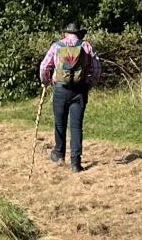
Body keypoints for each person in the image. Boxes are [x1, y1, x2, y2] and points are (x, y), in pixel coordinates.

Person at [38, 20, 100, 172]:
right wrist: (89, 83)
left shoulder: (57, 46)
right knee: (76, 126)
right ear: (79, 33)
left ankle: (59, 154)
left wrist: (46, 81)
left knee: (60, 123)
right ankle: (75, 163)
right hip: (80, 90)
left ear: (65, 32)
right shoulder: (86, 46)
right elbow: (97, 68)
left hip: (60, 89)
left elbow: (44, 66)